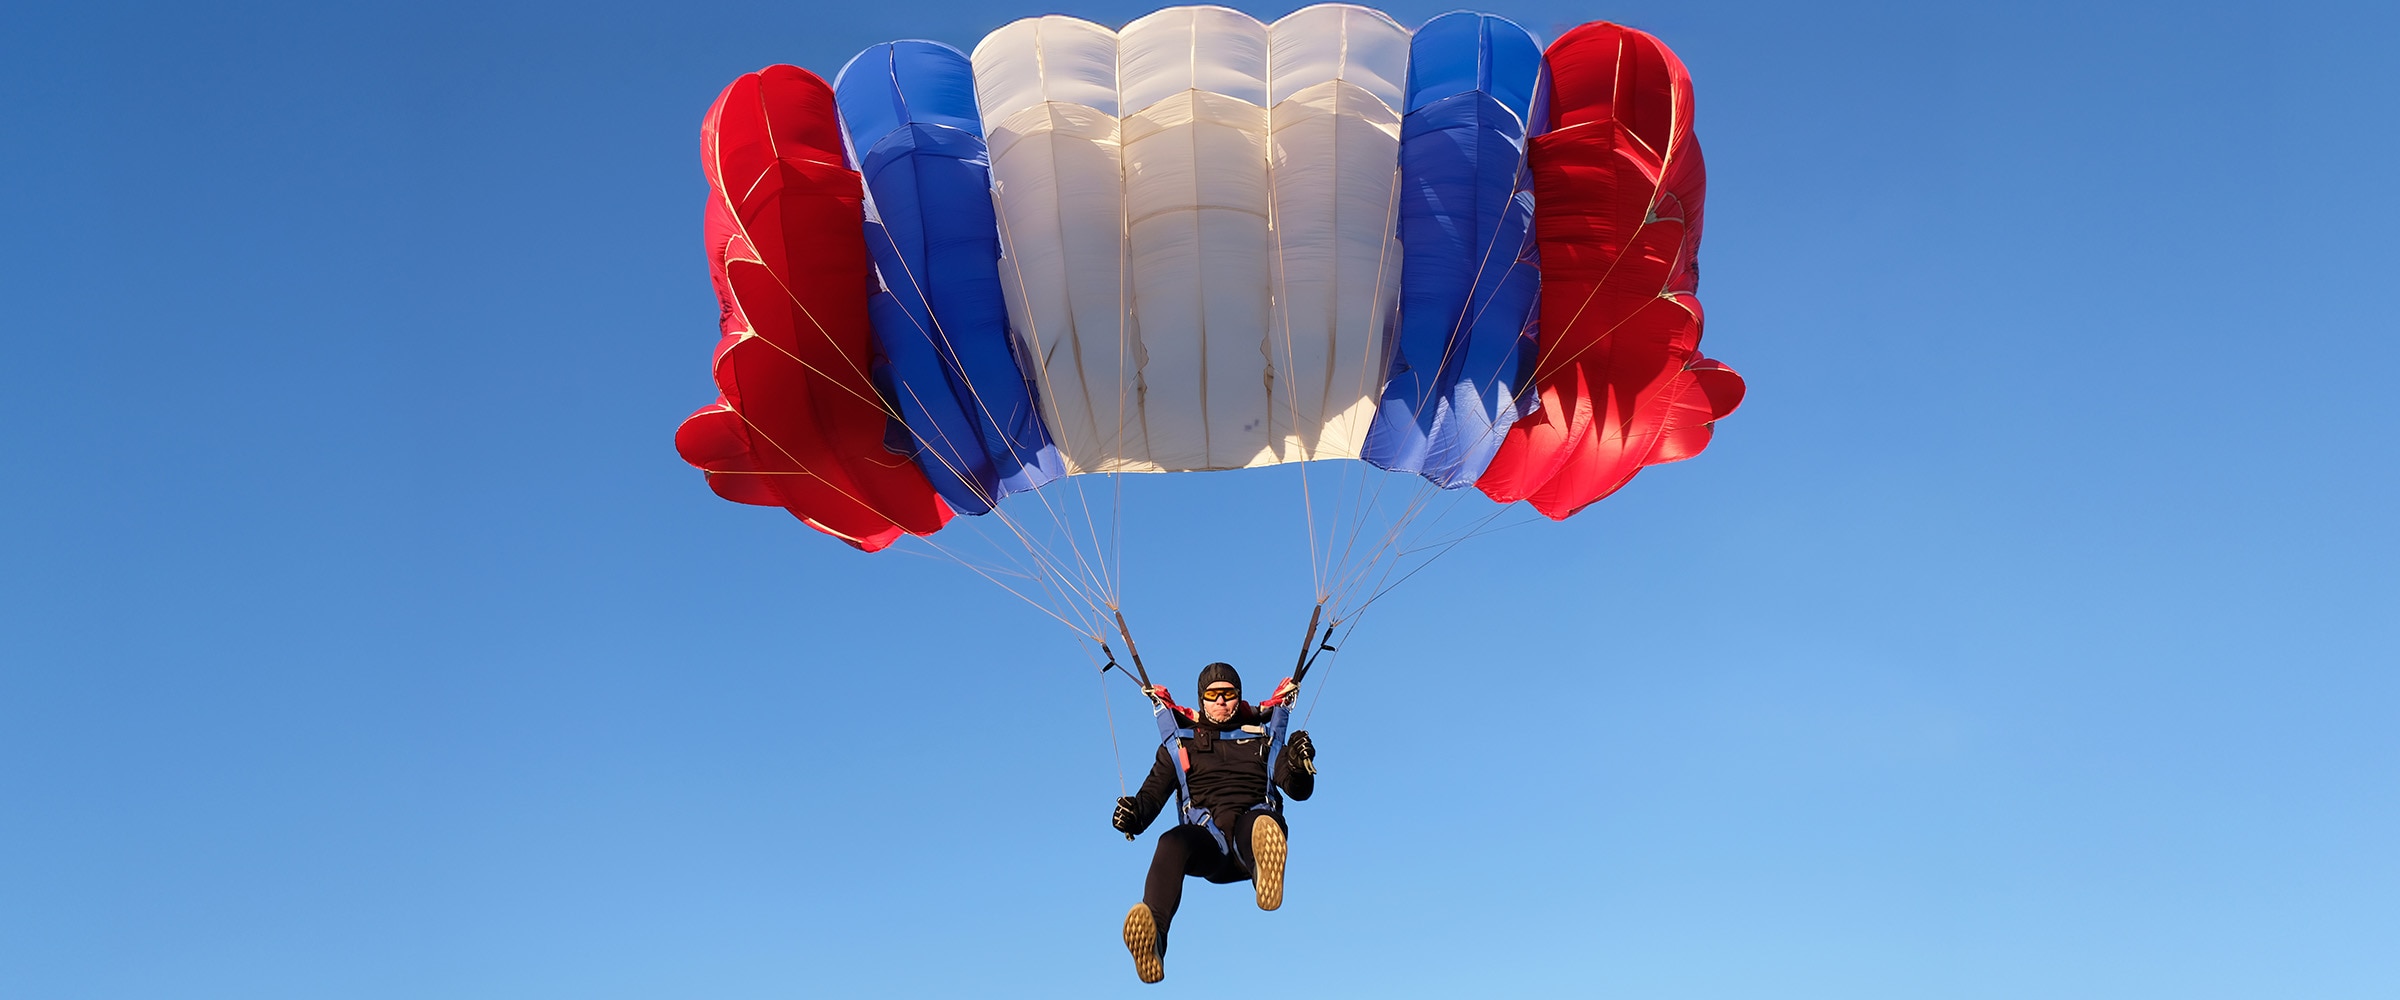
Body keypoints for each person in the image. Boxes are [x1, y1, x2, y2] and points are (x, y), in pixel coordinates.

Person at [1109, 662, 1318, 983]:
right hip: (1211, 845)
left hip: (1253, 829)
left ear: (1239, 697)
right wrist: (1131, 816)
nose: (1221, 702)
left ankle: (1265, 873)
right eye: (1213, 694)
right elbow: (1150, 799)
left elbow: (1296, 789)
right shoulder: (1180, 747)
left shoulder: (1264, 740)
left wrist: (1299, 765)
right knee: (1171, 841)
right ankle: (1155, 938)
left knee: (1258, 823)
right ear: (1202, 700)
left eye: (1229, 694)